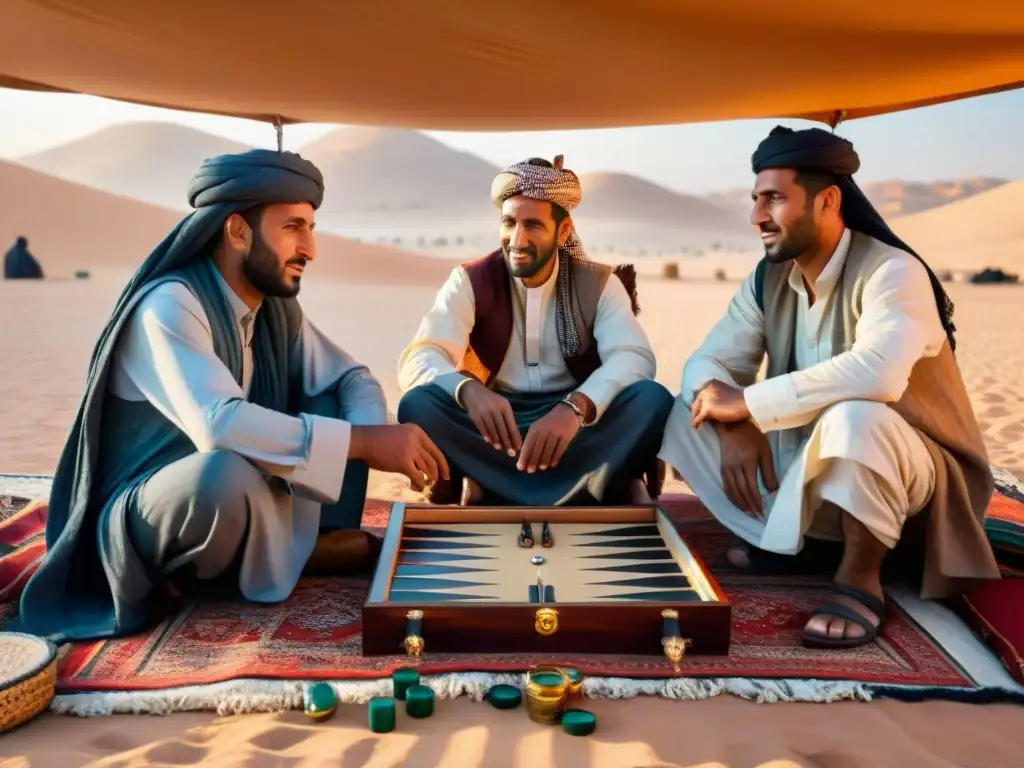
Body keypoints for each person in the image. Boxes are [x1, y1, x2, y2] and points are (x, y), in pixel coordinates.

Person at [13, 149, 448, 643]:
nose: (311, 248)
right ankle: (276, 556)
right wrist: (364, 444)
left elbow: (352, 378)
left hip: (246, 492)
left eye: (311, 228)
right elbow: (216, 423)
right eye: (293, 228)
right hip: (152, 509)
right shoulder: (169, 305)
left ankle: (305, 543)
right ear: (238, 232)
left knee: (332, 407)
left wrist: (376, 436)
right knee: (220, 472)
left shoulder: (273, 311)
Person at [658, 126, 1000, 649]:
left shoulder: (891, 271)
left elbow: (877, 374)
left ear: (827, 201)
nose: (756, 217)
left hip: (910, 480)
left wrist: (749, 402)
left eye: (774, 198)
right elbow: (710, 360)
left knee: (855, 417)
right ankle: (802, 543)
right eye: (755, 200)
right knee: (683, 411)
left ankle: (860, 578)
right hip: (807, 457)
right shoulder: (768, 279)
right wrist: (737, 425)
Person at [396, 155, 673, 506]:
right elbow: (420, 356)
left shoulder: (599, 284)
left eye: (533, 225)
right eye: (509, 222)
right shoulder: (470, 280)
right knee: (418, 404)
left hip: (577, 427)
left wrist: (576, 407)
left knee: (652, 400)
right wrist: (466, 390)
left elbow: (634, 357)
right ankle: (601, 484)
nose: (517, 239)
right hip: (497, 427)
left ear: (564, 232)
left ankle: (488, 486)